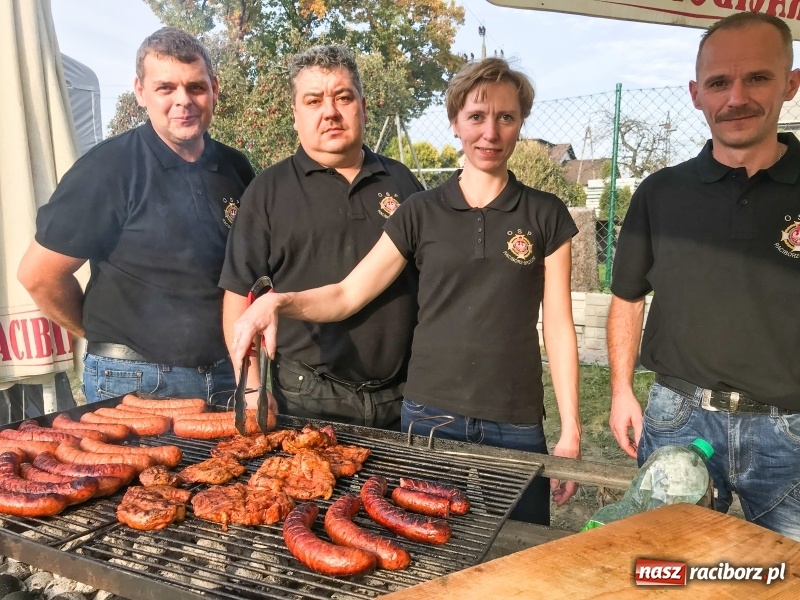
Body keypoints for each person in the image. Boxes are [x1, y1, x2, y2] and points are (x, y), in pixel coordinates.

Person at [230, 57, 582, 524]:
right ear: (455, 122)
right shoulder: (419, 210)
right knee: (433, 549)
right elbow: (347, 293)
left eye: (506, 117)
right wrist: (278, 300)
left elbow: (557, 325)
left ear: (521, 123)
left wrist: (571, 427)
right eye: (476, 117)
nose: (490, 133)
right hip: (430, 415)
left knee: (521, 554)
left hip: (515, 419)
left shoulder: (547, 214)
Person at [607, 13, 800, 541]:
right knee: (665, 568)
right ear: (696, 94)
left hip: (791, 429)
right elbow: (626, 297)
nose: (736, 97)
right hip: (679, 418)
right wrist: (622, 390)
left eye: (757, 77)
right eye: (719, 82)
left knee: (788, 577)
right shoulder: (660, 192)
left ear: (791, 82)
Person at [17, 27, 255, 404]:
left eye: (195, 87)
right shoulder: (107, 169)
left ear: (214, 89)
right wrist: (103, 335)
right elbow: (39, 275)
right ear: (141, 92)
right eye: (166, 88)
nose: (184, 101)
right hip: (134, 380)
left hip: (228, 372)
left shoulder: (235, 168)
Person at [219, 45, 423, 429]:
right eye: (313, 101)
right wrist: (250, 388)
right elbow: (237, 299)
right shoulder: (267, 192)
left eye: (343, 97)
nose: (330, 111)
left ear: (362, 105)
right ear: (295, 116)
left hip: (402, 397)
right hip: (304, 397)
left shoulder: (403, 183)